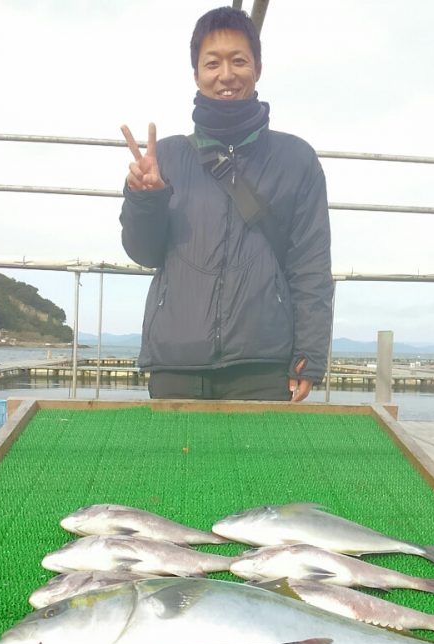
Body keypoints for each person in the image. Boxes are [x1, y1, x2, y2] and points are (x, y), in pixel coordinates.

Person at [120, 6, 333, 401]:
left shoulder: (297, 159)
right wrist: (145, 198)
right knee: (174, 467)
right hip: (175, 363)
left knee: (260, 467)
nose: (226, 74)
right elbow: (144, 252)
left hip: (264, 364)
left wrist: (309, 353)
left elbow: (311, 266)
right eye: (212, 63)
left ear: (258, 68)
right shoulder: (163, 157)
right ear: (196, 74)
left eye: (239, 61)